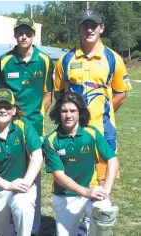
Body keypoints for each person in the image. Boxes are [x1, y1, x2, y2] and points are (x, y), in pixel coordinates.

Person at [53, 9, 131, 233]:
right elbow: (59, 94)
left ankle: (90, 222)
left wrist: (102, 114)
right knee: (74, 176)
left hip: (103, 131)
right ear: (78, 28)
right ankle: (74, 221)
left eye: (93, 25)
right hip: (72, 133)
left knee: (102, 181)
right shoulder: (66, 59)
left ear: (101, 28)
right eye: (84, 25)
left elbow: (120, 94)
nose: (89, 30)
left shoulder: (112, 58)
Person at [0, 17, 54, 235]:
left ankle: (33, 226)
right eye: (19, 32)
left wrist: (38, 113)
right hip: (7, 125)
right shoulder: (3, 61)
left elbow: (48, 93)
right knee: (9, 169)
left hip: (35, 127)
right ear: (14, 35)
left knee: (33, 174)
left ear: (33, 35)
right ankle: (8, 221)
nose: (23, 36)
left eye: (27, 33)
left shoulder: (45, 60)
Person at [43, 91, 119, 236]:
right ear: (59, 113)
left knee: (105, 214)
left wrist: (106, 189)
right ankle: (81, 230)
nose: (68, 115)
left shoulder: (92, 133)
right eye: (64, 111)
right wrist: (85, 192)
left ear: (80, 113)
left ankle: (88, 229)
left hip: (92, 190)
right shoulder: (51, 140)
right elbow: (58, 175)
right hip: (65, 194)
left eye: (73, 110)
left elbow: (112, 159)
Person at [0, 88, 43, 236]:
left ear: (14, 110)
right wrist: (8, 185)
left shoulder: (23, 125)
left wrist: (26, 182)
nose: (3, 110)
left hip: (21, 186)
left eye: (7, 106)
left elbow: (37, 155)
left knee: (23, 206)